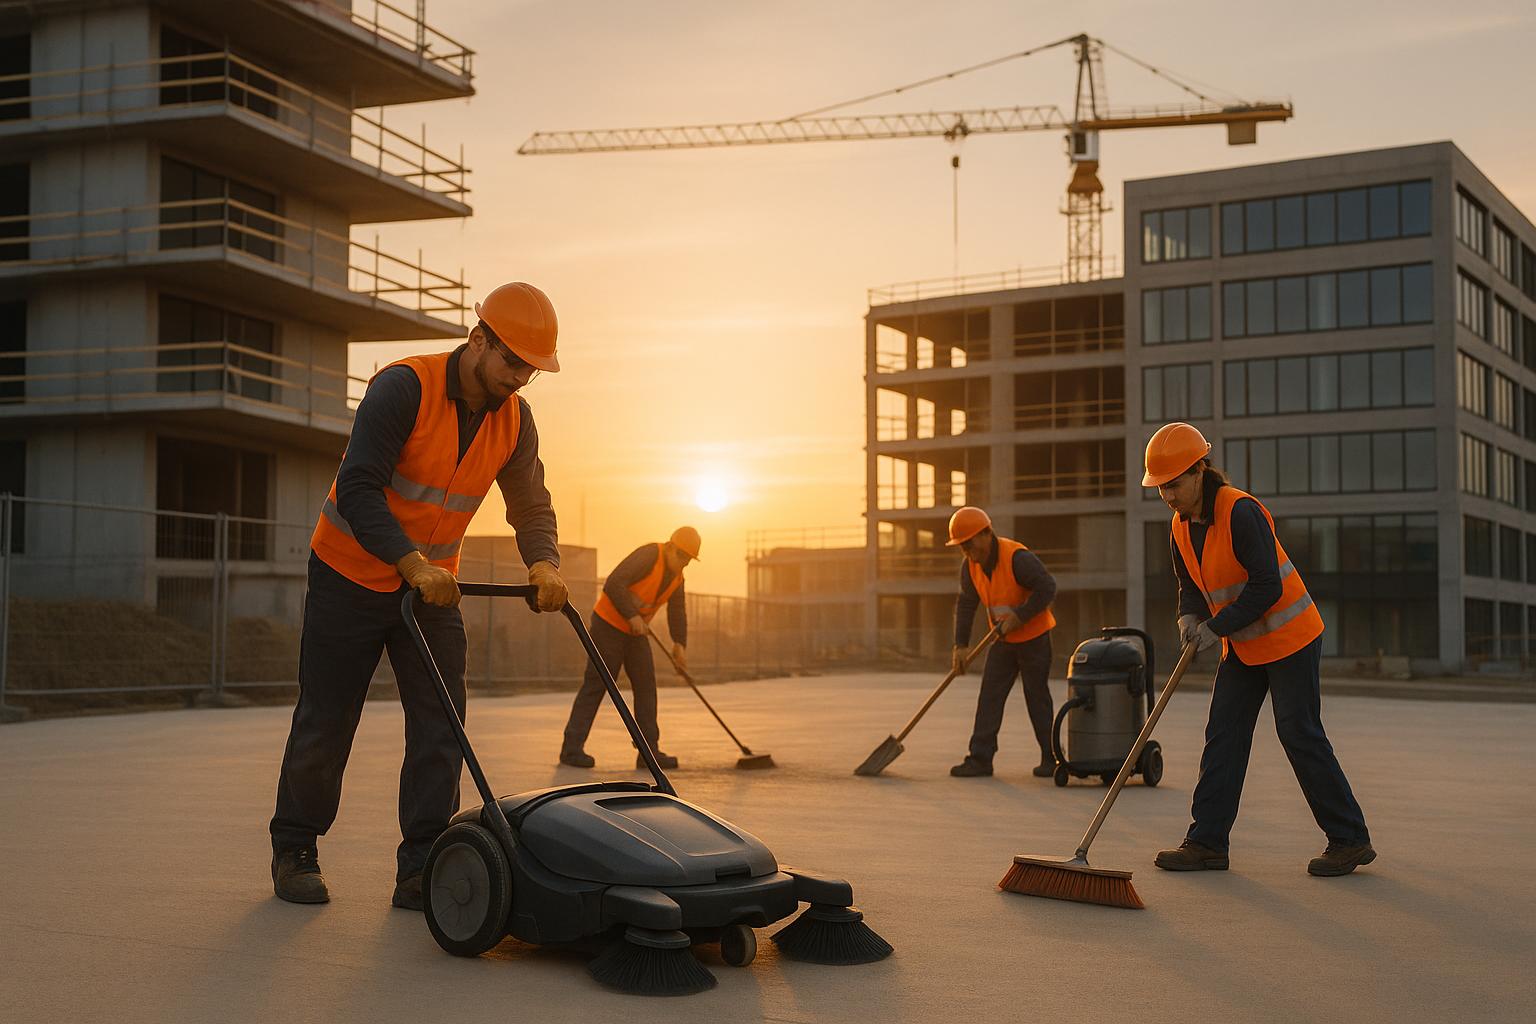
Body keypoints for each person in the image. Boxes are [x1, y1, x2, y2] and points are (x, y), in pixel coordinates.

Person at [269, 282, 570, 909]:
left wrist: (543, 563)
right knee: (327, 721)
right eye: (513, 361)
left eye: (531, 370)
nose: (520, 378)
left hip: (432, 590)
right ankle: (296, 847)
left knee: (441, 726)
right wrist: (409, 562)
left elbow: (531, 502)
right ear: (479, 338)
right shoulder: (402, 388)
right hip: (349, 575)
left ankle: (421, 866)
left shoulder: (514, 419)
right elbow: (358, 489)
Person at [1143, 421, 1374, 877]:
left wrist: (1216, 627)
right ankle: (1206, 842)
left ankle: (1349, 839)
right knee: (1223, 734)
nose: (1167, 495)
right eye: (1160, 488)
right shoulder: (1179, 526)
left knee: (1298, 731)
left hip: (1290, 638)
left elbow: (1267, 586)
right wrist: (1188, 616)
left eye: (1172, 484)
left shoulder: (1240, 512)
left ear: (1198, 471)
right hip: (1244, 646)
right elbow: (1190, 584)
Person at [559, 528, 700, 770]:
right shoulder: (648, 555)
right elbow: (614, 583)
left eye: (688, 560)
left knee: (646, 685)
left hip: (635, 632)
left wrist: (679, 644)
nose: (683, 564)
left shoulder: (677, 579)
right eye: (681, 557)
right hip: (609, 625)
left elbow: (677, 611)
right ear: (669, 547)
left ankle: (648, 753)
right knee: (598, 683)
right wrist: (632, 615)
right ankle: (571, 749)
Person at [946, 506, 1058, 779]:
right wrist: (960, 645)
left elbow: (1047, 587)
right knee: (989, 696)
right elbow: (966, 604)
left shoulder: (1017, 558)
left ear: (985, 534)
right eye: (962, 547)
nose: (967, 552)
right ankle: (980, 759)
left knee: (1037, 697)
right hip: (1003, 640)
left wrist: (1020, 617)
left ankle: (1050, 757)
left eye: (969, 544)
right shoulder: (970, 567)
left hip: (1034, 639)